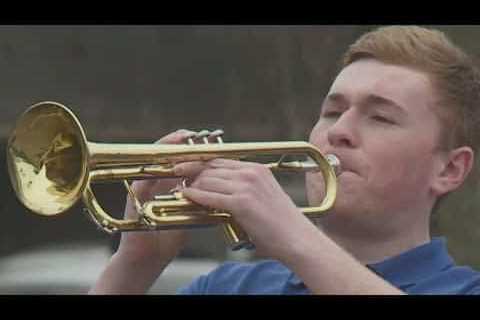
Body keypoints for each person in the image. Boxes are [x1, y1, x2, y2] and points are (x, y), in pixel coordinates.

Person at [89, 26, 480, 294]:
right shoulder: (230, 287)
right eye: (331, 111)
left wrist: (292, 235)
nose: (338, 131)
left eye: (380, 117)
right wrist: (135, 263)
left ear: (449, 169)